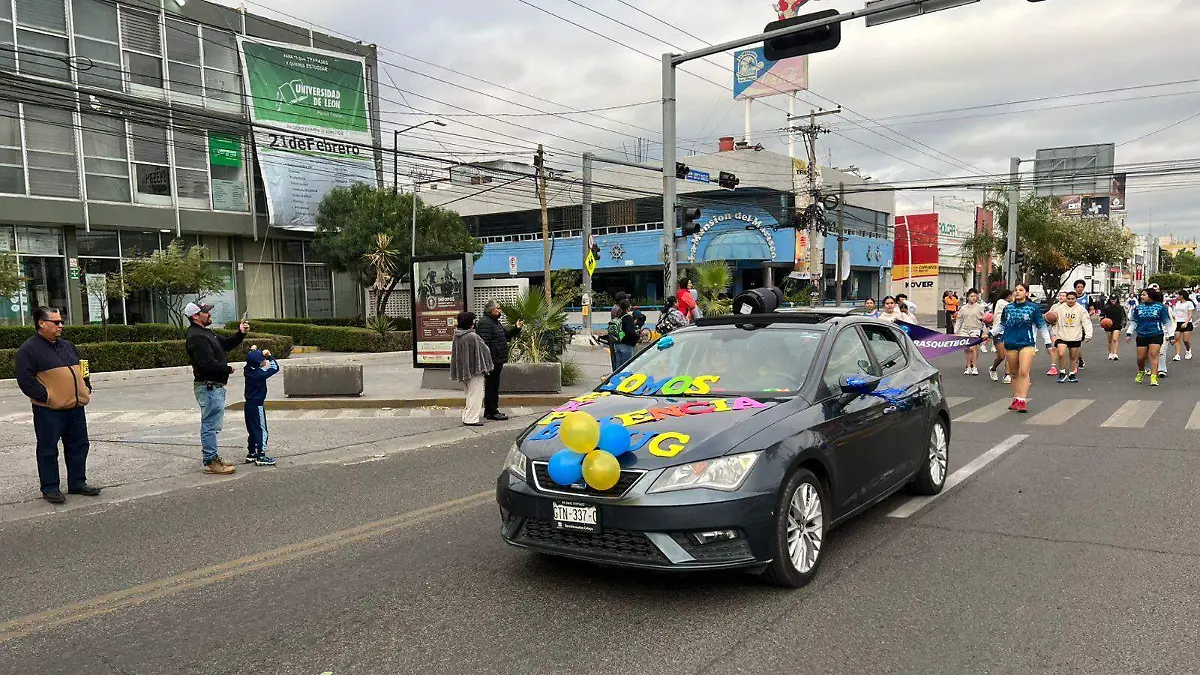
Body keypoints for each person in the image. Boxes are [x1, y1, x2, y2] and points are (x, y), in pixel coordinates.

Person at [15, 306, 101, 504]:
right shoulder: (29, 350)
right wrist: (48, 397)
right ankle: (50, 487)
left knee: (79, 446)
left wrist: (86, 387)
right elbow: (25, 380)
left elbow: (82, 368)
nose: (60, 325)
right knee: (47, 449)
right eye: (56, 322)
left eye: (61, 321)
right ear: (41, 323)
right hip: (49, 411)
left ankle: (78, 482)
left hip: (75, 408)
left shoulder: (68, 345)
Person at [185, 301, 249, 475]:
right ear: (195, 316)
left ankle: (212, 458)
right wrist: (226, 369)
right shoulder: (196, 337)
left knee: (212, 424)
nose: (209, 314)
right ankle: (211, 461)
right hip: (209, 387)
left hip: (214, 386)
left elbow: (226, 344)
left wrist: (240, 333)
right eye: (205, 312)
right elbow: (206, 364)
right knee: (210, 425)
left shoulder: (205, 333)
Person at [999, 284, 1047, 413]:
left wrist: (1048, 342)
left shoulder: (1033, 308)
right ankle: (1016, 398)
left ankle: (1022, 400)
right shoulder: (1008, 308)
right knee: (1014, 374)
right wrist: (990, 334)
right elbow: (1002, 325)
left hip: (1027, 343)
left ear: (1026, 293)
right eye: (1016, 290)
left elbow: (1042, 326)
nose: (1017, 292)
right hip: (1010, 343)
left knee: (1024, 371)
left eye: (1021, 290)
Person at [475, 299, 523, 421]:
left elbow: (506, 334)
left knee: (493, 386)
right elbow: (483, 344)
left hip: (497, 359)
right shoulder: (485, 323)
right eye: (499, 308)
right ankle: (492, 411)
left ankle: (491, 410)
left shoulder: (495, 322)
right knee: (492, 386)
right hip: (492, 360)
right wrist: (488, 360)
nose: (500, 310)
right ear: (492, 310)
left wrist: (516, 328)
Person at [450, 311, 494, 427]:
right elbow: (483, 350)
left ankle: (467, 416)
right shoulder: (472, 336)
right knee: (476, 394)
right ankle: (472, 418)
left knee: (469, 393)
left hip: (463, 369)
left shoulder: (457, 335)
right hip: (475, 369)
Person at [1125, 287, 1173, 386]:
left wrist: (1171, 336)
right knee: (1141, 357)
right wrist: (1129, 333)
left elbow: (1167, 322)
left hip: (1156, 333)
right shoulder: (1138, 308)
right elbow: (1134, 321)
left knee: (1153, 354)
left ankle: (1153, 376)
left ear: (1150, 296)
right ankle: (1141, 371)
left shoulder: (1161, 307)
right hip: (1142, 334)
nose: (1141, 296)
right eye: (1141, 295)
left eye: (1144, 295)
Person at [242, 346, 280, 466]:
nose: (264, 360)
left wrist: (254, 350)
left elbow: (251, 357)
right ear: (259, 363)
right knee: (262, 430)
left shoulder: (248, 369)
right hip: (257, 405)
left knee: (252, 429)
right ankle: (261, 455)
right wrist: (269, 356)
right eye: (262, 359)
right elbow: (275, 367)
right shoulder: (259, 374)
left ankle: (252, 453)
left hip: (248, 405)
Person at [1054, 291, 1092, 383]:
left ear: (1076, 300)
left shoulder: (1081, 309)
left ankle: (1071, 373)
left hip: (1075, 336)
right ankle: (1062, 372)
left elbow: (1086, 322)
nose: (1070, 301)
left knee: (1073, 356)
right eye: (1068, 299)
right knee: (1061, 353)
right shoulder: (1059, 309)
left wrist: (1088, 334)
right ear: (1066, 299)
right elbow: (1053, 320)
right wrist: (1054, 332)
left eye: (1072, 299)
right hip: (1061, 335)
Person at [954, 288, 986, 376]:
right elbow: (959, 320)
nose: (973, 298)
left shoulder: (980, 307)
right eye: (971, 296)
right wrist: (956, 331)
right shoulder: (963, 308)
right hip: (964, 329)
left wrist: (984, 331)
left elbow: (984, 320)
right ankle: (968, 366)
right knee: (967, 348)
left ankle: (974, 367)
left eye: (975, 296)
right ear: (967, 297)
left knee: (973, 348)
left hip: (975, 329)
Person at [988, 289, 1013, 384]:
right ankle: (993, 368)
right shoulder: (1001, 302)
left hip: (1008, 332)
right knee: (1001, 356)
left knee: (1009, 354)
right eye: (1012, 295)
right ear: (1008, 296)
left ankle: (1007, 375)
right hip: (998, 332)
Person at [613, 299, 640, 369]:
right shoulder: (628, 318)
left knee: (618, 369)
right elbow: (631, 332)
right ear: (628, 308)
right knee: (626, 368)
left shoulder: (618, 317)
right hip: (626, 346)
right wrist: (637, 338)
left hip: (617, 345)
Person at [1045, 291, 1067, 377]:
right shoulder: (1054, 306)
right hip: (1055, 329)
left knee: (1071, 349)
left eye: (1063, 296)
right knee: (1054, 346)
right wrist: (1049, 319)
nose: (1061, 297)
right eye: (1060, 295)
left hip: (1067, 330)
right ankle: (1053, 367)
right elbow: (1048, 316)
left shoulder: (1069, 307)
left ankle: (1075, 363)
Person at [1101, 296, 1126, 360]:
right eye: (1112, 299)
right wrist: (1102, 321)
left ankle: (1115, 353)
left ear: (1117, 299)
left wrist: (1123, 323)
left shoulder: (1120, 307)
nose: (1113, 300)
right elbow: (1102, 316)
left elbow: (1123, 316)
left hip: (1117, 325)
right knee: (1109, 340)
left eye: (1114, 299)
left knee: (1115, 339)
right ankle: (1110, 353)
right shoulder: (1106, 307)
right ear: (1110, 299)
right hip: (1108, 325)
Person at [1172, 290, 1194, 361]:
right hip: (1178, 322)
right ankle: (1177, 354)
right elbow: (1175, 312)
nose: (1177, 296)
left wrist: (1186, 322)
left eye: (1178, 295)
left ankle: (1188, 350)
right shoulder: (1177, 303)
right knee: (1177, 338)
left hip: (1187, 322)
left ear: (1181, 296)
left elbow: (1190, 314)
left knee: (1186, 340)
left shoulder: (1189, 303)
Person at [1072, 280, 1090, 368]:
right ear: (1075, 288)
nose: (1080, 288)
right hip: (1072, 323)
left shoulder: (1087, 297)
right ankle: (1080, 358)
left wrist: (1086, 317)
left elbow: (1092, 309)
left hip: (1082, 324)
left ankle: (1076, 361)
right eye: (1078, 287)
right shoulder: (1071, 297)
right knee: (1073, 344)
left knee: (1077, 343)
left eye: (1081, 287)